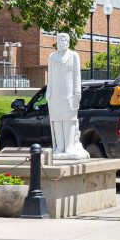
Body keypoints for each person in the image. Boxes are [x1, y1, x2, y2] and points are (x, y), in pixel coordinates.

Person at [46, 32, 89, 160]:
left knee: (69, 120)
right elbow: (50, 77)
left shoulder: (74, 56)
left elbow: (77, 76)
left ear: (68, 42)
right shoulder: (52, 57)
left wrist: (77, 93)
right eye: (60, 40)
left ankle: (69, 147)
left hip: (69, 94)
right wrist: (48, 92)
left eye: (64, 40)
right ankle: (60, 146)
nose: (62, 42)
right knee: (57, 119)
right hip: (55, 94)